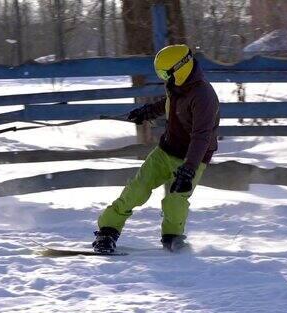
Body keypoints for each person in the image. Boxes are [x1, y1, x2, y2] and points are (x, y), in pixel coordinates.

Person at [92, 44, 220, 253]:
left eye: (164, 73)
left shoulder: (204, 96)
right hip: (166, 150)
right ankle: (107, 231)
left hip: (192, 158)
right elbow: (170, 102)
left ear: (180, 68)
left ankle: (173, 237)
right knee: (137, 189)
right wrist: (148, 112)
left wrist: (189, 169)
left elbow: (202, 136)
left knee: (176, 199)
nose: (162, 77)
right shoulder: (177, 83)